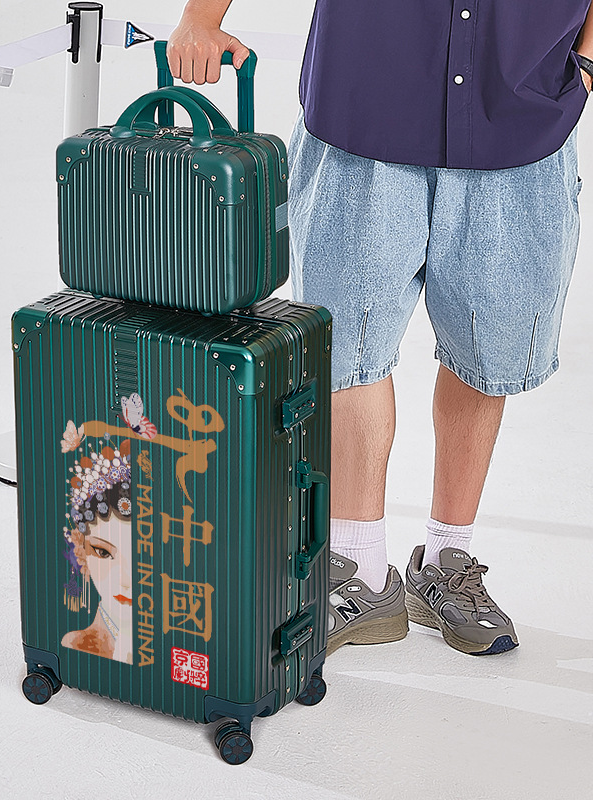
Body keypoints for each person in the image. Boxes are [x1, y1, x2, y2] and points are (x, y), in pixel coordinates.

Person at [168, 1, 592, 655]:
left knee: (487, 354)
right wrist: (201, 14)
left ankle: (448, 560)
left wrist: (585, 63)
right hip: (364, 103)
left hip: (521, 114)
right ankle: (362, 573)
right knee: (348, 349)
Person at [61, 443, 134, 664]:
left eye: (143, 556)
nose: (126, 580)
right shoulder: (76, 644)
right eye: (103, 552)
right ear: (81, 549)